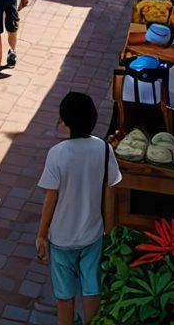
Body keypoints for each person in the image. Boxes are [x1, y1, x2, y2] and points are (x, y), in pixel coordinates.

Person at [36, 92, 122, 325]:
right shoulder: (104, 149)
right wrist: (109, 231)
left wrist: (42, 235)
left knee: (65, 298)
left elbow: (50, 199)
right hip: (93, 235)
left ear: (66, 122)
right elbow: (110, 191)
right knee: (92, 291)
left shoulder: (57, 154)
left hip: (61, 239)